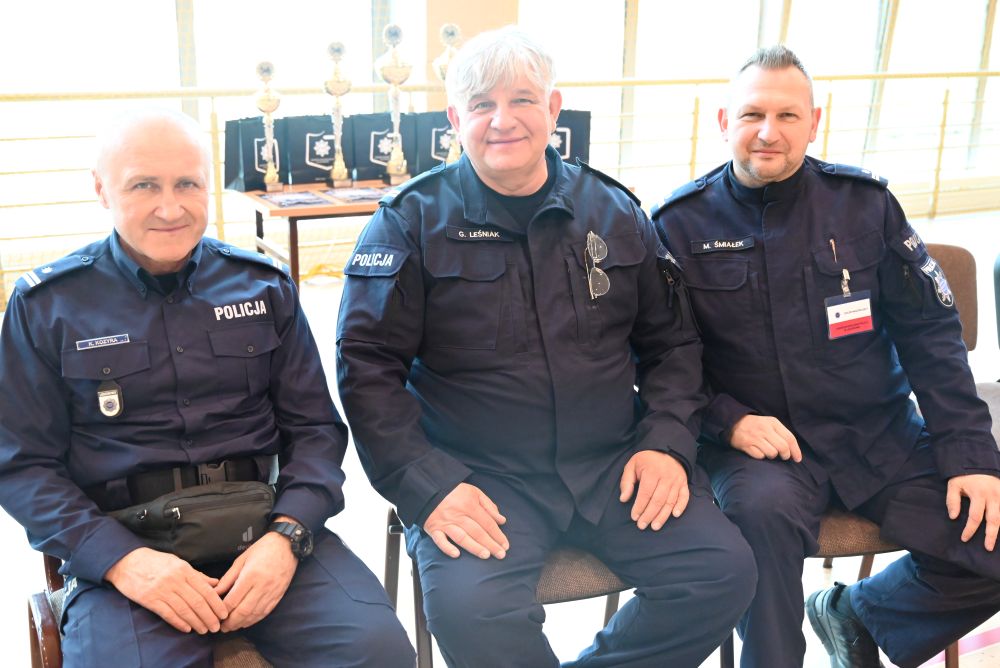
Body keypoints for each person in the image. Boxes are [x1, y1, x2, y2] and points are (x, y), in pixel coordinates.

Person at [336, 26, 756, 668]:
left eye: (522, 100)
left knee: (721, 571)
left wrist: (667, 443)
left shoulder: (614, 212)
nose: (502, 120)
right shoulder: (410, 221)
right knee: (472, 612)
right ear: (455, 120)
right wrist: (428, 486)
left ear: (553, 109)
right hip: (481, 478)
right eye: (482, 105)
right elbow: (366, 370)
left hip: (614, 464)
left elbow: (672, 346)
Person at [0, 109, 414, 668]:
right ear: (101, 190)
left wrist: (287, 537)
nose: (170, 208)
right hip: (129, 548)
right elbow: (23, 467)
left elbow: (316, 430)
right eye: (144, 185)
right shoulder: (48, 306)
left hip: (263, 532)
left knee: (379, 651)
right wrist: (123, 562)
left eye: (187, 184)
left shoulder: (263, 288)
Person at [652, 45, 1000, 668]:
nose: (768, 132)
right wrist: (728, 420)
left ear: (814, 123)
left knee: (991, 529)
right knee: (757, 523)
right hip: (764, 453)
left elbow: (930, 336)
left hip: (880, 438)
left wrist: (971, 455)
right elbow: (661, 360)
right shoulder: (677, 225)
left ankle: (857, 612)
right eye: (752, 114)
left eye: (788, 115)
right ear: (724, 122)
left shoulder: (864, 205)